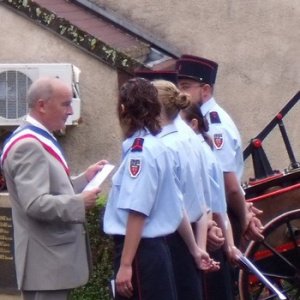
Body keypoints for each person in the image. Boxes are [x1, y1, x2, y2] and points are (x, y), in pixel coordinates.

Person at [0, 77, 106, 300]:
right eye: (65, 104)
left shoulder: (36, 138)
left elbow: (52, 188)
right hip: (46, 260)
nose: (70, 111)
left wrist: (84, 179)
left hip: (48, 259)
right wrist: (79, 203)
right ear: (41, 105)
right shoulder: (29, 145)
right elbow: (35, 203)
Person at [104, 77, 187, 300]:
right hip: (153, 249)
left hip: (140, 251)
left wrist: (126, 264)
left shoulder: (141, 153)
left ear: (123, 109)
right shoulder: (157, 146)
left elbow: (138, 209)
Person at [176, 54, 264, 246]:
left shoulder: (214, 125)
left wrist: (244, 218)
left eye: (185, 87)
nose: (179, 94)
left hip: (219, 219)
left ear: (205, 90)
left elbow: (228, 185)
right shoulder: (204, 119)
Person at [153, 79, 219, 300]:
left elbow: (177, 202)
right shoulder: (192, 138)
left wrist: (194, 247)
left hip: (173, 234)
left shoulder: (163, 145)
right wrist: (199, 247)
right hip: (189, 229)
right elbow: (202, 201)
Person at [181, 102, 242, 300]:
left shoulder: (198, 153)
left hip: (204, 242)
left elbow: (208, 205)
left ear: (193, 124)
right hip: (209, 238)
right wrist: (230, 245)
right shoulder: (205, 151)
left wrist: (226, 244)